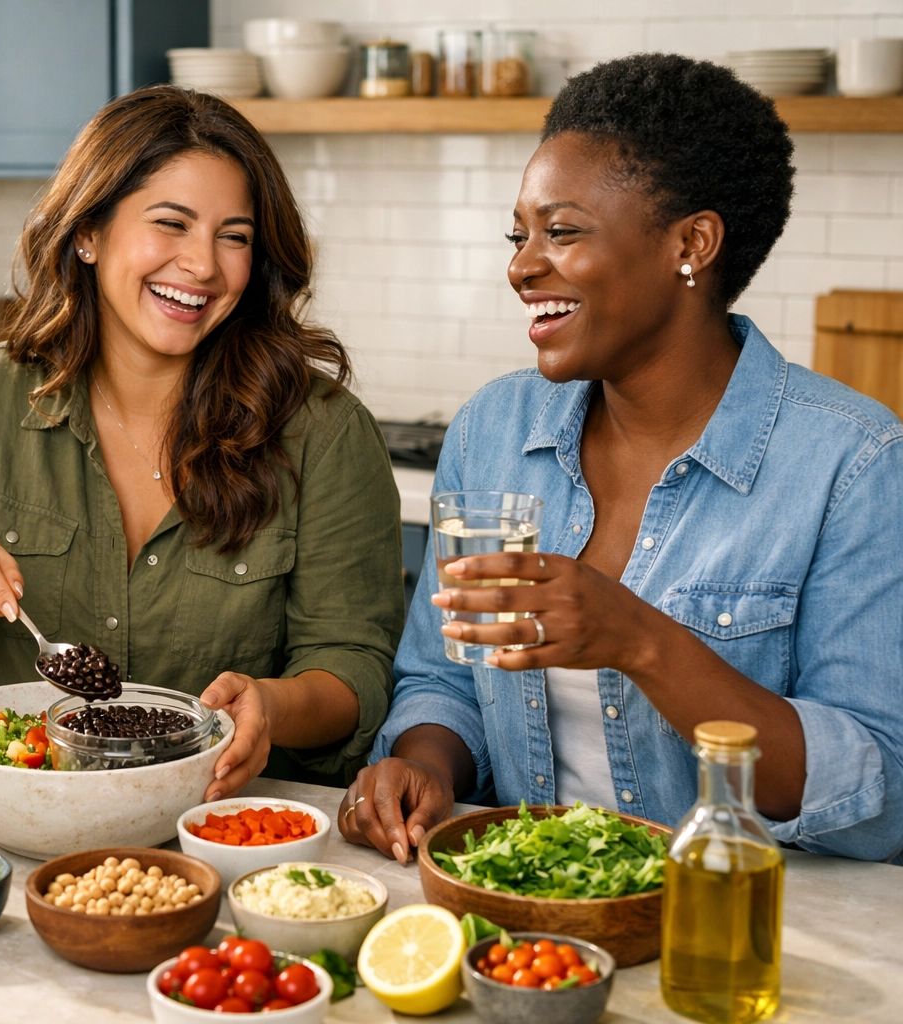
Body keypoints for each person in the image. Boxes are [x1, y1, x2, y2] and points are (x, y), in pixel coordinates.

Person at [343, 53, 903, 863]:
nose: (521, 267)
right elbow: (444, 677)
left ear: (692, 243)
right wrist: (425, 764)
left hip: (738, 919)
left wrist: (642, 641)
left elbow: (880, 795)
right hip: (528, 903)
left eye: (562, 232)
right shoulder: (493, 430)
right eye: (519, 235)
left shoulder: (852, 465)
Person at [0, 86, 404, 799]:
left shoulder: (323, 430)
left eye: (234, 236)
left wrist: (271, 704)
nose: (203, 265)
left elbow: (354, 668)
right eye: (171, 224)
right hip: (33, 811)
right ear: (89, 233)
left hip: (229, 824)